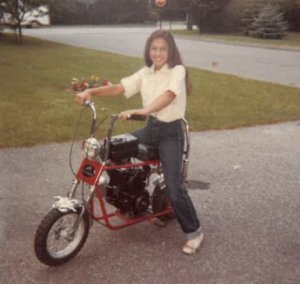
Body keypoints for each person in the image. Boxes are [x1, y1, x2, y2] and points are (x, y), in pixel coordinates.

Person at [75, 29, 203, 254]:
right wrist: (90, 91)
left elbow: (169, 96)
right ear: (148, 50)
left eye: (163, 48)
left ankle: (194, 232)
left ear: (170, 50)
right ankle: (126, 198)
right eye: (154, 48)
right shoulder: (145, 72)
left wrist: (143, 110)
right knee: (107, 148)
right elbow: (118, 88)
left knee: (174, 187)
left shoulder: (178, 70)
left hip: (170, 133)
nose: (158, 53)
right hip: (150, 129)